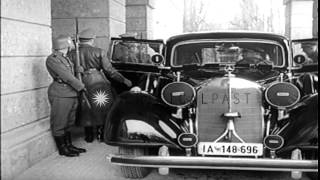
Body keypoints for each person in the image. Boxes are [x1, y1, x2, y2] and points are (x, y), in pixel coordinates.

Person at [69, 28, 132, 143]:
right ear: (92, 39)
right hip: (97, 82)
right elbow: (109, 70)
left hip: (80, 82)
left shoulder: (71, 53)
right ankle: (101, 134)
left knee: (85, 108)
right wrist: (123, 80)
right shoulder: (99, 51)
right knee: (102, 106)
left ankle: (88, 135)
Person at [46, 35, 87, 157]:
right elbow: (66, 76)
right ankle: (62, 148)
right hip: (61, 93)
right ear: (65, 45)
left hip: (70, 93)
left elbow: (70, 73)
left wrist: (78, 70)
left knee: (69, 121)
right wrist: (81, 86)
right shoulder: (53, 59)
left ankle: (69, 145)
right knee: (60, 122)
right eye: (70, 43)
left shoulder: (66, 58)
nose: (72, 45)